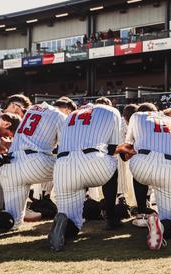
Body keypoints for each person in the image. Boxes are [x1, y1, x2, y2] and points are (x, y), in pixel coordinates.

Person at [0, 98, 75, 242]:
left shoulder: (32, 110)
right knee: (69, 166)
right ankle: (65, 210)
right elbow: (66, 147)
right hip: (35, 161)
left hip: (9, 165)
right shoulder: (59, 116)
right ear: (67, 109)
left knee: (14, 220)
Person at [48, 101, 134, 251]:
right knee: (112, 163)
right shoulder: (110, 111)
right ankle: (111, 217)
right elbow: (113, 149)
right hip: (94, 161)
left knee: (74, 221)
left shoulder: (71, 116)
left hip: (63, 166)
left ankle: (64, 226)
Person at [122, 103, 171, 250]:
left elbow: (128, 149)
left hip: (143, 163)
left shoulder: (137, 116)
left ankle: (142, 213)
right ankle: (161, 227)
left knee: (138, 166)